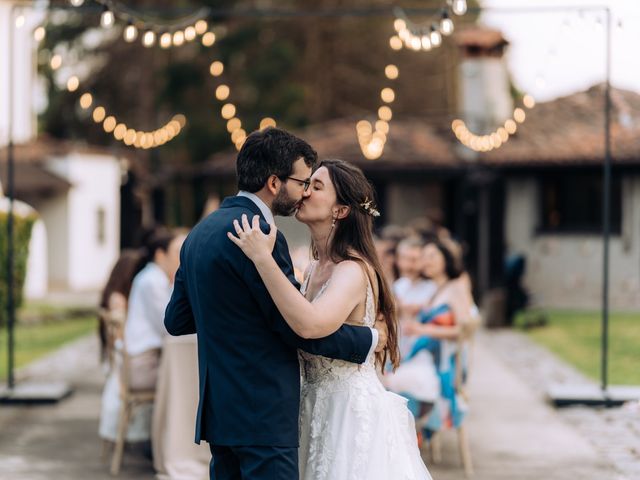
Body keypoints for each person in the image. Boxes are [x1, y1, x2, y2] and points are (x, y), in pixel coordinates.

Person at [164, 128, 387, 480]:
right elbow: (295, 327)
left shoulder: (199, 234)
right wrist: (369, 340)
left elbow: (176, 320)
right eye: (302, 182)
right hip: (263, 413)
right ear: (273, 182)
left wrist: (231, 318)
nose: (303, 193)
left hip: (220, 413)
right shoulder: (263, 236)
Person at [229, 158, 432, 479]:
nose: (305, 193)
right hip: (311, 406)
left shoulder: (352, 269)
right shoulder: (312, 269)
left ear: (340, 211)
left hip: (347, 413)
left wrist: (262, 259)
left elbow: (310, 325)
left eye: (316, 186)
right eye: (307, 184)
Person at [125, 228, 186, 391]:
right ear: (160, 255)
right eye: (177, 252)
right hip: (144, 365)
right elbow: (169, 326)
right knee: (189, 379)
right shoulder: (153, 281)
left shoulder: (154, 278)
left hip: (149, 359)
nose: (182, 259)